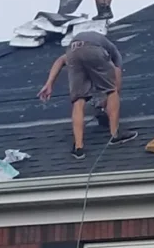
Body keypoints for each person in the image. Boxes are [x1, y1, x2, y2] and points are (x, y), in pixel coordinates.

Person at [37, 31, 138, 159]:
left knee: (78, 100)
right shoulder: (113, 53)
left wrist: (49, 84)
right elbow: (115, 82)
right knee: (111, 90)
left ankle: (78, 147)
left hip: (72, 51)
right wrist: (109, 101)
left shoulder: (82, 43)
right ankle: (115, 135)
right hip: (92, 49)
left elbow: (60, 60)